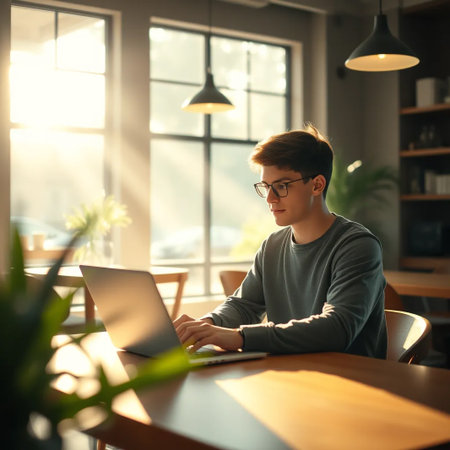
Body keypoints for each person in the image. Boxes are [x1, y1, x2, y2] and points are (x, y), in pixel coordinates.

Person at [174, 124, 387, 358]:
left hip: (352, 383)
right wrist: (205, 325)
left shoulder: (357, 246)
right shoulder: (272, 246)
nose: (270, 198)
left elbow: (337, 329)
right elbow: (243, 305)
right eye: (266, 186)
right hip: (289, 377)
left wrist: (239, 337)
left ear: (317, 185)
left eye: (282, 186)